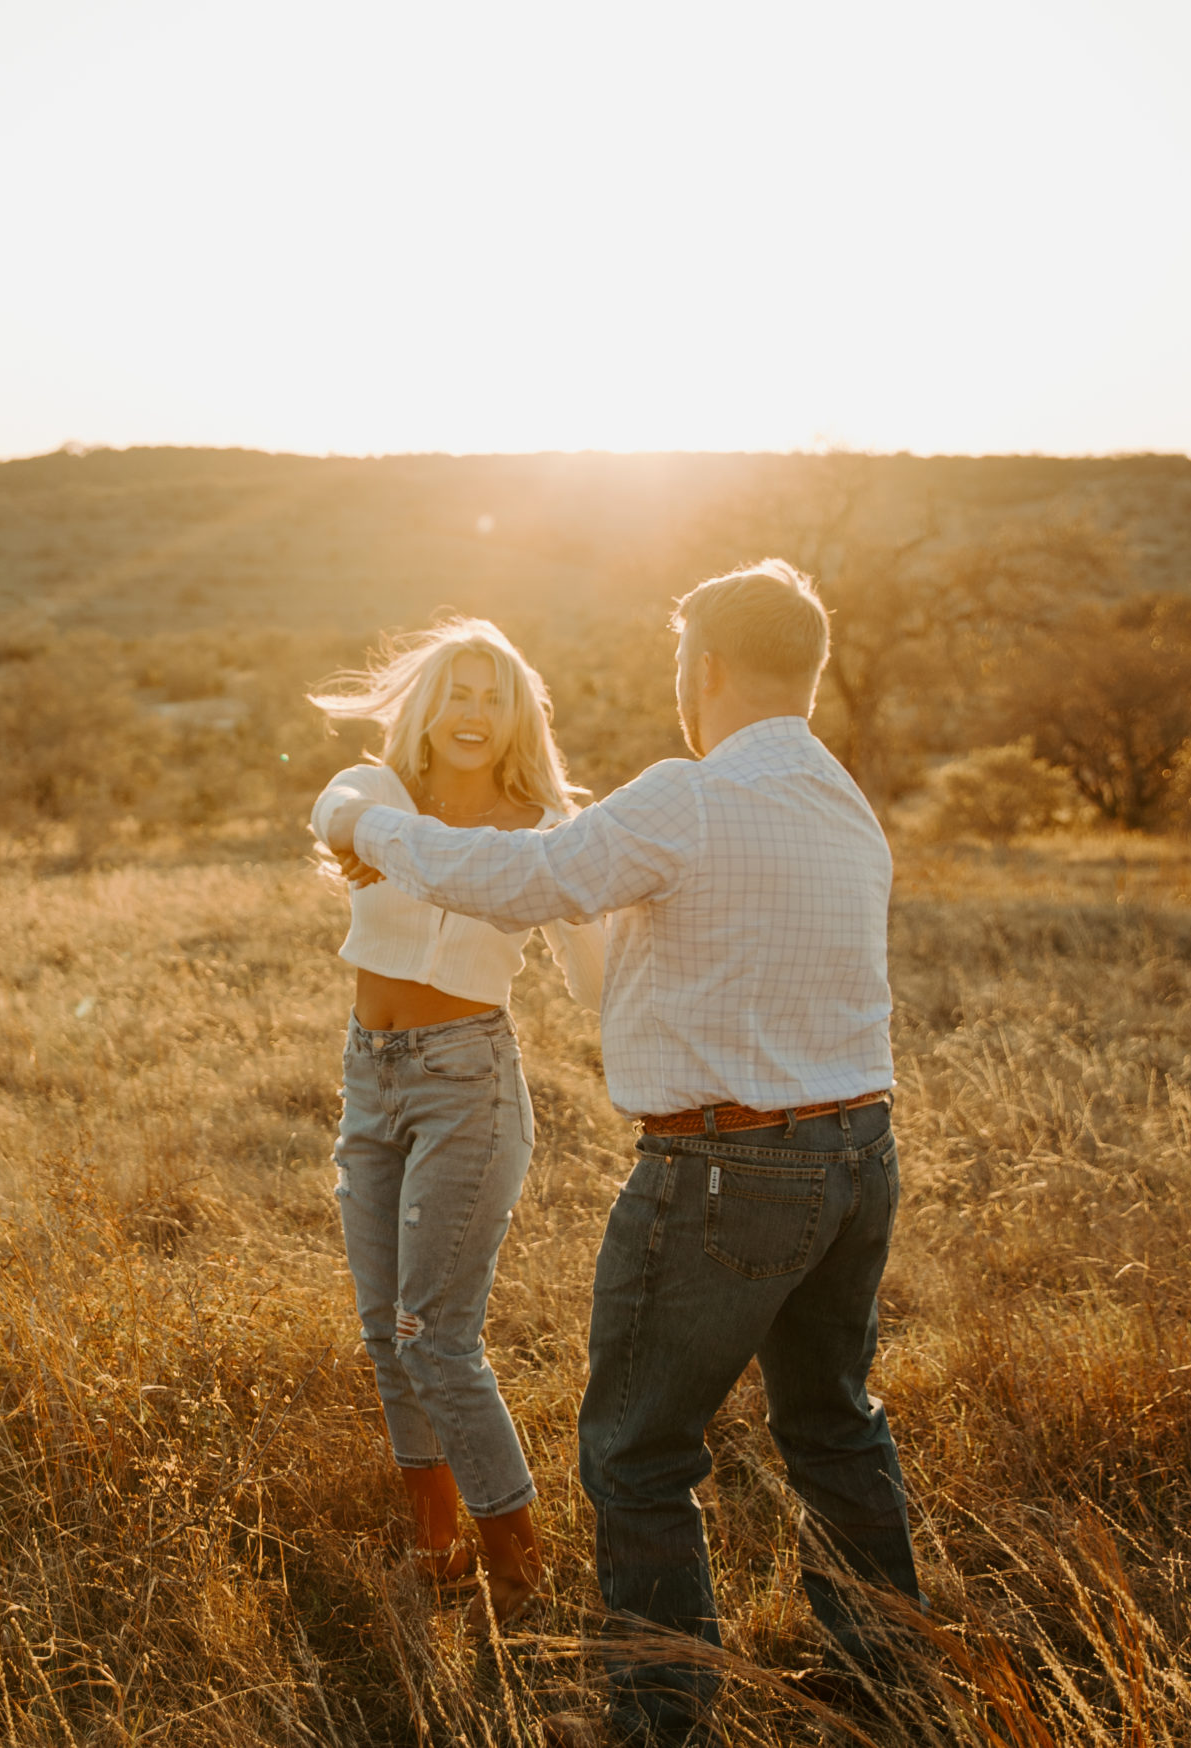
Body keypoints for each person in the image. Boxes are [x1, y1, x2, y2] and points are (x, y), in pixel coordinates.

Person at [320, 561, 919, 1744]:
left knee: (638, 1452)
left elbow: (524, 880)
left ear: (699, 669)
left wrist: (361, 822)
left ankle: (658, 1712)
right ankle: (889, 1680)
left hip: (722, 1173)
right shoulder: (842, 798)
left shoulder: (687, 793)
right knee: (834, 1421)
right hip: (859, 1154)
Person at [307, 617, 606, 1622]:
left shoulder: (543, 821)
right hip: (370, 1073)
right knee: (385, 1336)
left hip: (466, 1080)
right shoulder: (381, 795)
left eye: (493, 695)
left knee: (436, 1335)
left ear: (518, 713)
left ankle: (518, 1568)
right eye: (457, 693)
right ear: (426, 708)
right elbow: (332, 801)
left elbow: (593, 974)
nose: (474, 714)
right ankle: (435, 1552)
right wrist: (362, 832)